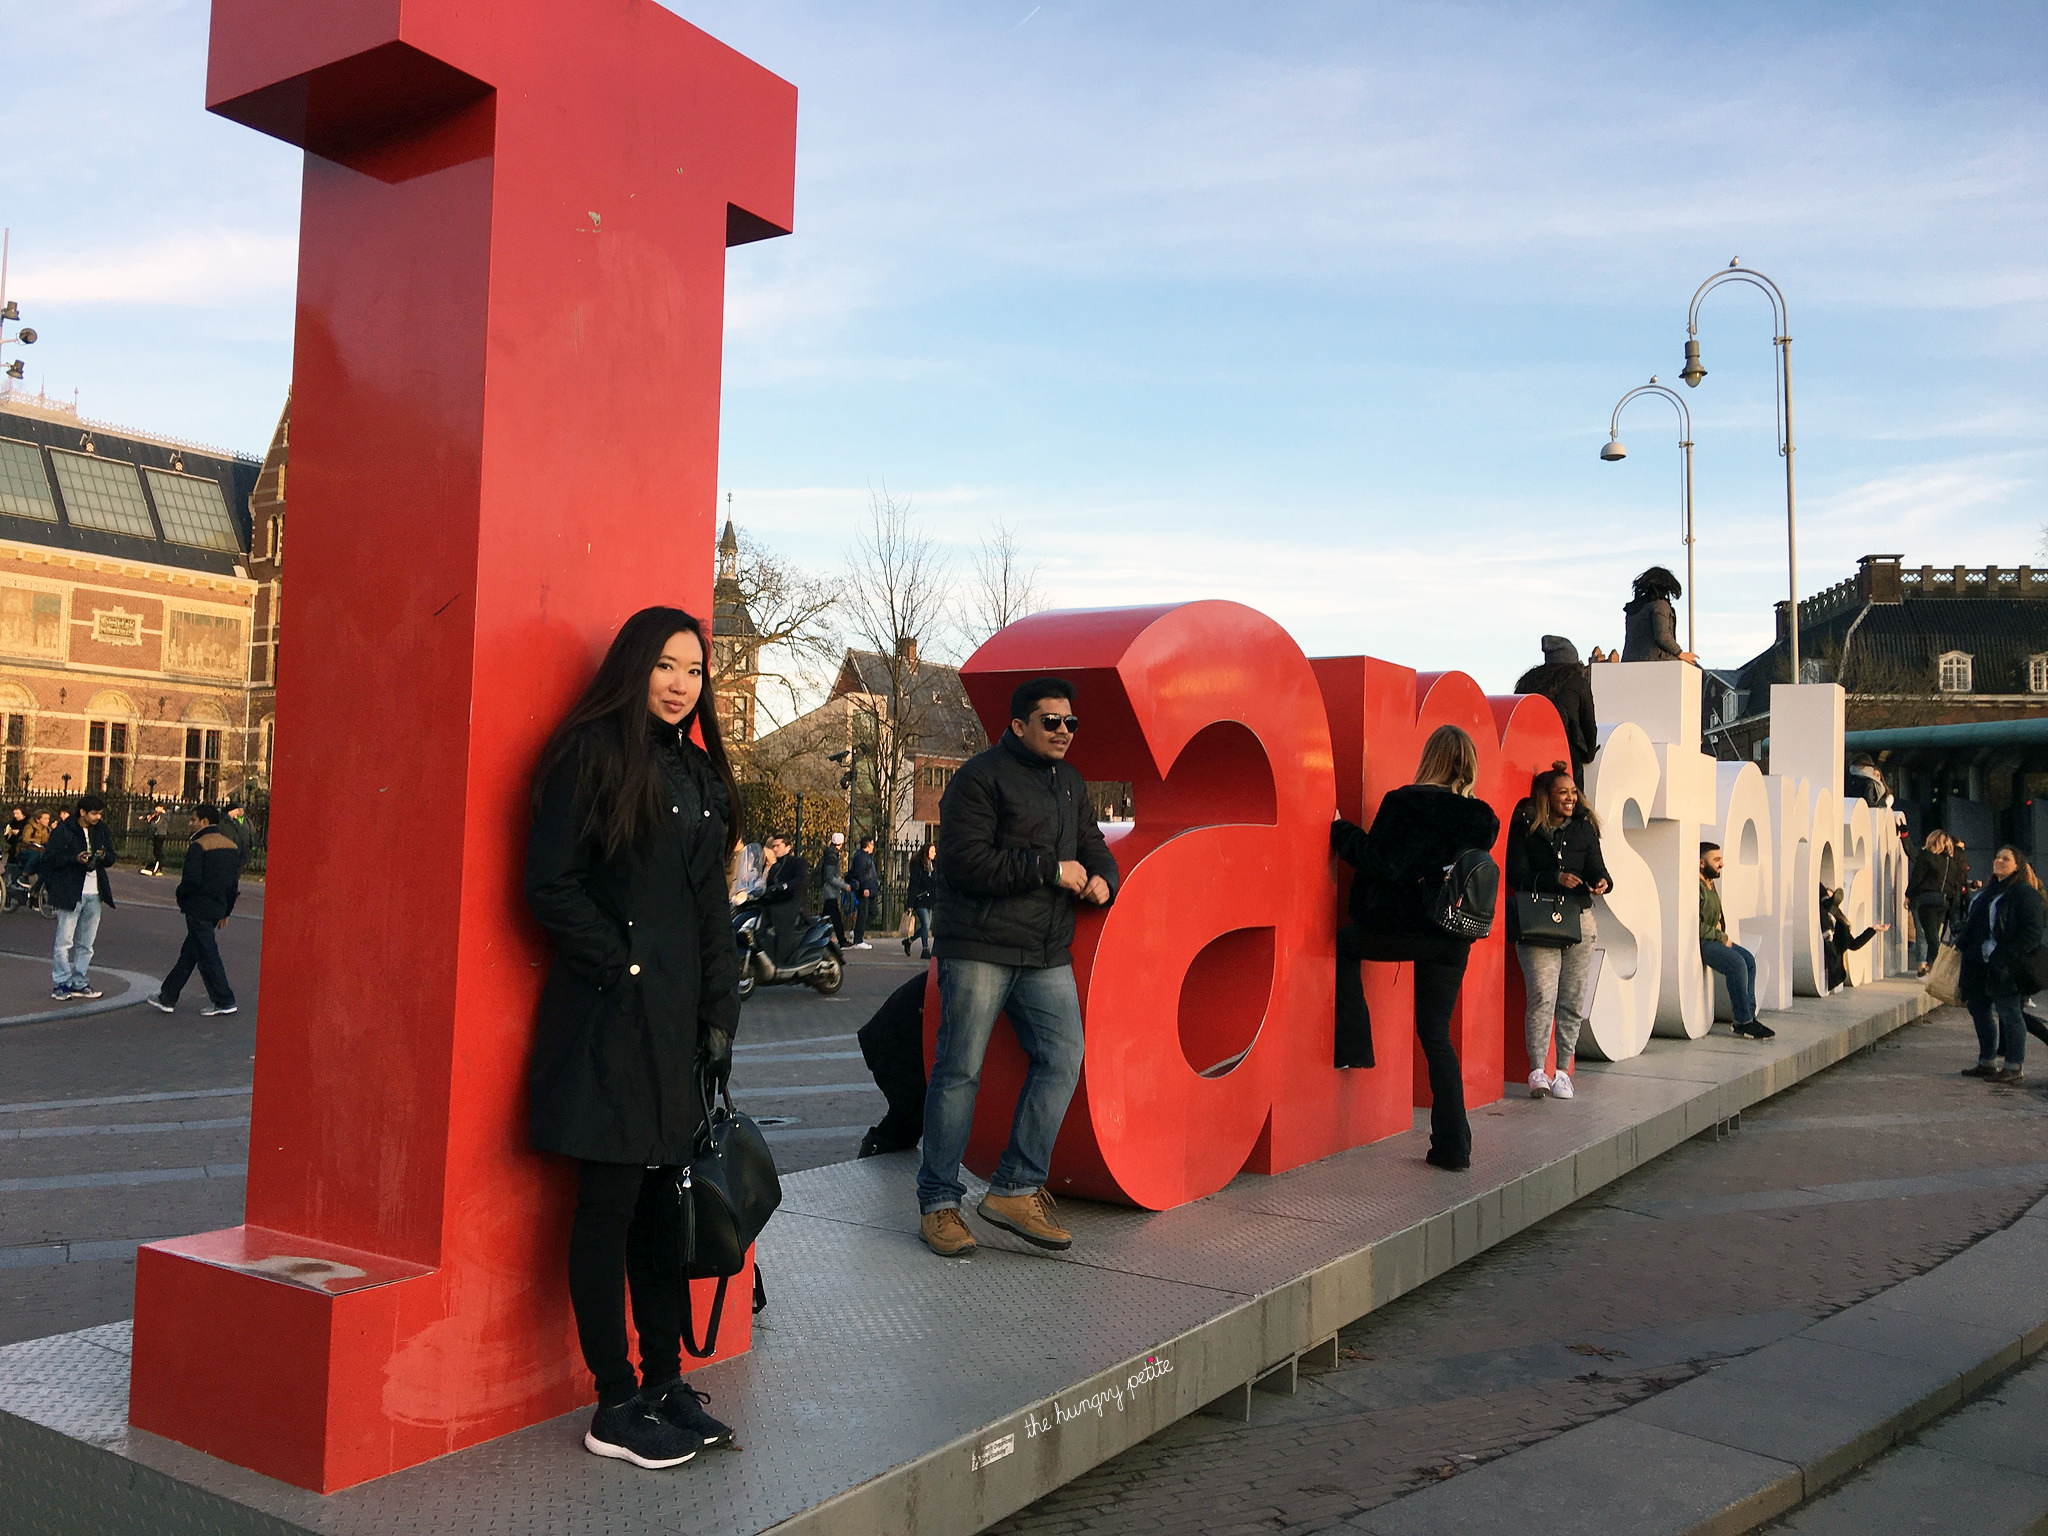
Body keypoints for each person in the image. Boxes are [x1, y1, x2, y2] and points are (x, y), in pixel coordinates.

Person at [524, 606, 743, 1470]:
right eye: (666, 664)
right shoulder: (591, 756)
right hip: (611, 1028)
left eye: (694, 669)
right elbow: (550, 884)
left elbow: (711, 916)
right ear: (633, 667)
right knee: (609, 1211)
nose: (682, 683)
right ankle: (612, 1402)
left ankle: (662, 1382)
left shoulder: (698, 776)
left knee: (661, 1213)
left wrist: (718, 1018)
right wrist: (623, 965)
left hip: (677, 1036)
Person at [919, 676, 1117, 1258]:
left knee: (1063, 1058)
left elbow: (1093, 843)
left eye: (1070, 723)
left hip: (1044, 954)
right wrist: (1050, 871)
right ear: (1018, 725)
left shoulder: (1072, 784)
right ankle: (938, 1204)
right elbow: (965, 864)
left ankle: (1015, 1188)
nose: (1063, 732)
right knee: (959, 1073)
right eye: (1051, 721)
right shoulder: (978, 779)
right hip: (978, 949)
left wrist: (1105, 876)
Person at [1331, 724, 1500, 1171]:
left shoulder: (1404, 802)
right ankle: (1453, 1147)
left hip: (1402, 928)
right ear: (1468, 764)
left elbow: (1381, 862)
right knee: (1436, 1035)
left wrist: (1340, 831)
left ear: (1431, 757)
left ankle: (1353, 1047)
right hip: (1453, 934)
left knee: (1343, 947)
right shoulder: (1481, 819)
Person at [1506, 761, 1611, 1101]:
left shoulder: (1584, 829)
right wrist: (1554, 878)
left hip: (1579, 919)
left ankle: (1563, 1070)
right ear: (1546, 797)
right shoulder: (1526, 827)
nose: (1570, 798)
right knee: (1542, 997)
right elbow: (1516, 875)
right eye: (1562, 792)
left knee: (1572, 999)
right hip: (1538, 922)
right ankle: (1538, 1070)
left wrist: (1602, 882)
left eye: (1573, 792)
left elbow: (1599, 867)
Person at [1956, 845, 2041, 1085]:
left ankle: (2014, 1067)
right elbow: (1975, 924)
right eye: (1997, 857)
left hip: (2004, 964)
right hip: (1978, 963)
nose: (1999, 861)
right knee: (1979, 1010)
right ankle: (1987, 1062)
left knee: (2010, 1013)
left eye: (2006, 859)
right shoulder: (1987, 892)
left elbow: (2032, 933)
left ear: (2017, 865)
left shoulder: (2023, 893)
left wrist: (2006, 956)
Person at [145, 804, 242, 1016]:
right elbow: (233, 884)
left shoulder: (199, 846)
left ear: (204, 822)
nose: (191, 824)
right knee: (191, 952)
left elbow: (190, 880)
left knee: (207, 955)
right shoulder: (230, 846)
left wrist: (182, 898)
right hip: (218, 906)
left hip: (198, 907)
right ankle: (167, 996)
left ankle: (224, 999)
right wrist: (227, 911)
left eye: (193, 820)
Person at [44, 795, 117, 1001]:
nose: (97, 817)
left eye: (100, 814)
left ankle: (80, 980)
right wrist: (75, 858)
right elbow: (51, 858)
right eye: (94, 813)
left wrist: (103, 857)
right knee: (64, 941)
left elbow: (112, 856)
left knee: (87, 943)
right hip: (70, 891)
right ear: (82, 812)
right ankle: (61, 983)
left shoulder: (101, 830)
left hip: (95, 893)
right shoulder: (64, 830)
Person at [1700, 843, 1773, 1039]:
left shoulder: (1710, 883)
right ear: (1700, 863)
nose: (1721, 864)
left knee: (1748, 959)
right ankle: (1742, 1022)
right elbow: (1694, 926)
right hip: (1702, 942)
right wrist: (1721, 937)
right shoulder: (1695, 888)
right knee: (1737, 963)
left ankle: (1749, 1016)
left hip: (1714, 939)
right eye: (1716, 860)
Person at [857, 971, 930, 1157]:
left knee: (911, 1116)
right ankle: (875, 1156)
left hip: (895, 1041)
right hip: (894, 1045)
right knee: (912, 1112)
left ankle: (878, 1156)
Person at [1514, 638, 1599, 786]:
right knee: (1573, 801)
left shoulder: (1529, 681)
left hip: (1530, 754)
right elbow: (1588, 724)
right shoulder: (1578, 682)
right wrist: (1589, 754)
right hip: (1567, 753)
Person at [1907, 830, 1964, 977]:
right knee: (1935, 934)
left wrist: (1909, 894)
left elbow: (1917, 877)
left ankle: (1942, 967)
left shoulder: (1927, 856)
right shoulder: (1950, 862)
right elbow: (1954, 882)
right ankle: (1934, 966)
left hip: (1926, 899)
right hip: (1944, 901)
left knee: (1927, 934)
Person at [1620, 566, 1696, 664]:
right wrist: (1680, 653)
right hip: (1655, 658)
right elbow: (1662, 636)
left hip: (1629, 659)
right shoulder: (1660, 605)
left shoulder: (1634, 607)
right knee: (1700, 673)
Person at [1818, 884, 1887, 992]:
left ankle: (1826, 902)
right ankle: (1825, 902)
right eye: (1831, 899)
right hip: (1822, 938)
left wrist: (1873, 929)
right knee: (1823, 907)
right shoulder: (1820, 913)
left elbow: (1854, 945)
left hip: (1832, 948)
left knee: (1840, 924)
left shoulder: (1840, 925)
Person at [757, 832, 809, 967]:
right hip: (777, 900)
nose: (774, 849)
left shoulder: (797, 862)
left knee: (777, 914)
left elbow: (801, 880)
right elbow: (766, 884)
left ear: (788, 847)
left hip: (793, 901)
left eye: (778, 846)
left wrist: (785, 886)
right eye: (773, 846)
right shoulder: (774, 866)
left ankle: (782, 959)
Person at [903, 842, 940, 959]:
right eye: (932, 851)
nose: (934, 854)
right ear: (926, 852)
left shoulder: (934, 865)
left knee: (926, 926)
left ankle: (909, 941)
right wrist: (910, 904)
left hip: (930, 899)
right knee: (925, 923)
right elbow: (914, 884)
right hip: (920, 898)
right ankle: (925, 949)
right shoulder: (917, 865)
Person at [819, 831, 851, 948]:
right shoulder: (832, 857)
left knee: (826, 917)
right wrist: (844, 885)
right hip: (830, 891)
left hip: (829, 890)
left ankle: (822, 937)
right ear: (841, 843)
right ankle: (841, 940)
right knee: (835, 917)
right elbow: (831, 877)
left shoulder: (830, 854)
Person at [847, 833, 879, 949]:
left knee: (873, 912)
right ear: (868, 845)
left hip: (869, 890)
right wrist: (865, 887)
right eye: (872, 844)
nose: (873, 847)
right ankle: (858, 939)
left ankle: (857, 932)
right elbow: (862, 873)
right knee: (863, 914)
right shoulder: (861, 857)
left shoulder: (865, 857)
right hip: (864, 890)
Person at [140, 803, 171, 876]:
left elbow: (156, 824)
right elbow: (154, 817)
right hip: (159, 834)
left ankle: (158, 867)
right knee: (156, 851)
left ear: (161, 808)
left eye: (157, 807)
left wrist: (149, 821)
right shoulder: (161, 815)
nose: (156, 809)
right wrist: (146, 817)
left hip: (160, 834)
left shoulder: (162, 816)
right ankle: (157, 866)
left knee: (158, 851)